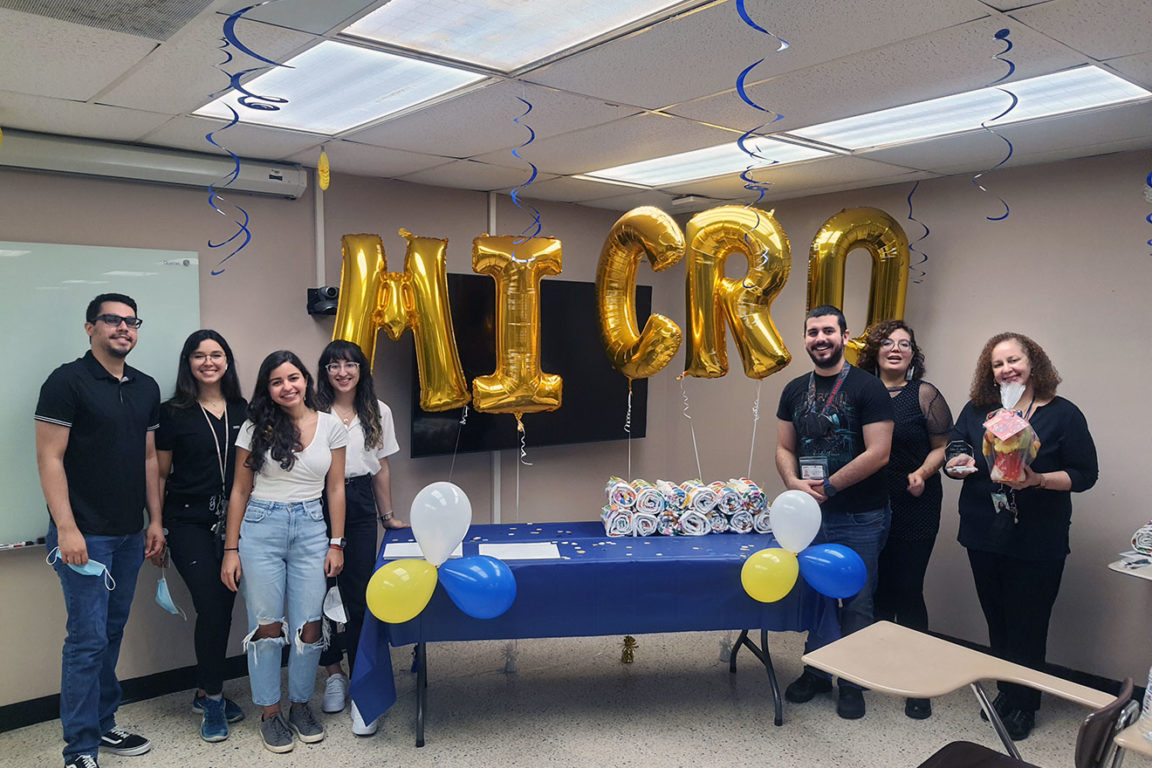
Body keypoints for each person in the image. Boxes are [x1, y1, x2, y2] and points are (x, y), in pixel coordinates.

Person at [944, 333, 1097, 741]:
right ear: (989, 372)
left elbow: (1086, 474)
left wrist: (1039, 480)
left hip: (1037, 538)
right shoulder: (978, 410)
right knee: (997, 617)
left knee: (1028, 623)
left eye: (1014, 360)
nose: (1006, 369)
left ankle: (1025, 703)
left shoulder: (1063, 414)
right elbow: (956, 443)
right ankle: (1006, 691)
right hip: (983, 530)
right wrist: (956, 460)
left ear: (1033, 364)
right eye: (998, 364)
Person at [35, 293, 164, 768]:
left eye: (131, 321)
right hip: (84, 537)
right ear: (90, 328)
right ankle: (80, 749)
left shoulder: (146, 386)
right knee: (86, 642)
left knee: (110, 633)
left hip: (130, 534)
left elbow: (149, 458)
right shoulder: (66, 381)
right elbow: (50, 458)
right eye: (112, 320)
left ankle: (104, 724)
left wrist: (155, 521)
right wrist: (66, 527)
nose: (123, 328)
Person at [219, 351, 347, 754]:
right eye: (277, 381)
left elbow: (336, 488)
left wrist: (336, 542)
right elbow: (239, 490)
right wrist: (231, 549)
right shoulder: (255, 427)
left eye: (293, 378)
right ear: (268, 389)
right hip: (261, 527)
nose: (287, 386)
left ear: (306, 380)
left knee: (310, 625)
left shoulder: (330, 425)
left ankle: (301, 706)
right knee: (267, 626)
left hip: (312, 529)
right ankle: (270, 713)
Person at [775, 305, 894, 720]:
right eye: (813, 332)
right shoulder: (794, 389)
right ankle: (817, 672)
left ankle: (852, 681)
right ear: (805, 339)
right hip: (809, 517)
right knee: (817, 597)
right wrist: (794, 482)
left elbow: (879, 452)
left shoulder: (868, 388)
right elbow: (784, 447)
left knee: (857, 600)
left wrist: (830, 486)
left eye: (828, 331)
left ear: (844, 337)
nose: (820, 339)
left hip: (861, 515)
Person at [154, 330, 247, 742]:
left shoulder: (244, 410)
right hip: (188, 523)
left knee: (223, 609)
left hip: (236, 523)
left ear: (227, 361)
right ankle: (213, 700)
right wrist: (156, 525)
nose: (208, 362)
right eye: (199, 355)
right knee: (211, 607)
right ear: (188, 363)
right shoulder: (172, 412)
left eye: (216, 354)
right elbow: (159, 474)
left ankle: (204, 690)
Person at [856, 320, 952, 720]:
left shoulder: (924, 394)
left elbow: (943, 446)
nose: (896, 348)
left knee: (908, 590)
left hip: (916, 500)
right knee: (875, 590)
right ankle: (875, 666)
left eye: (905, 344)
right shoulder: (861, 394)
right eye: (888, 343)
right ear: (875, 352)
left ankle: (916, 681)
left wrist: (923, 473)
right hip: (869, 504)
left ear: (913, 354)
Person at [315, 340, 407, 736]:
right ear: (325, 372)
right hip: (316, 500)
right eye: (334, 365)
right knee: (319, 593)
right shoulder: (312, 409)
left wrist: (388, 516)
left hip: (360, 501)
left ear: (361, 370)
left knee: (358, 596)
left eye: (350, 365)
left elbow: (381, 466)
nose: (342, 372)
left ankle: (360, 687)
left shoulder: (378, 410)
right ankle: (333, 673)